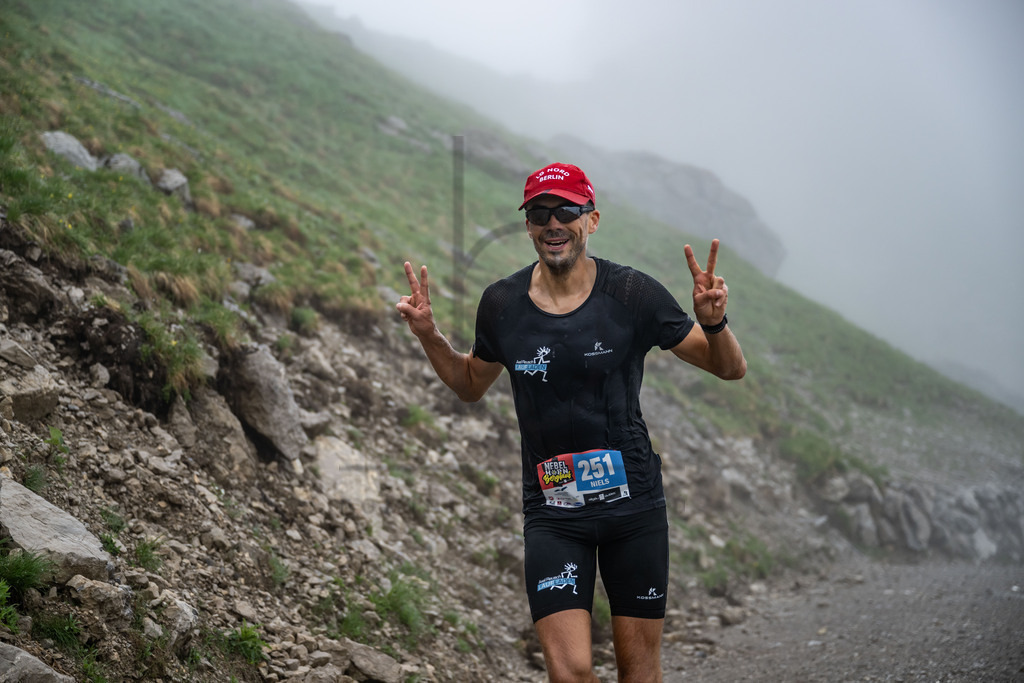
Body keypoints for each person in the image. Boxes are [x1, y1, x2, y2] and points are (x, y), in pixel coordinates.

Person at [396, 162, 746, 682]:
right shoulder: (501, 305)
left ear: (593, 219)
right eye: (540, 212)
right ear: (528, 226)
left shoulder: (632, 295)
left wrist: (714, 321)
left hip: (634, 508)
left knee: (639, 671)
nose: (552, 222)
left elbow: (728, 367)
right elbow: (471, 383)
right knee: (570, 673)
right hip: (554, 512)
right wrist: (429, 335)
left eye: (566, 209)